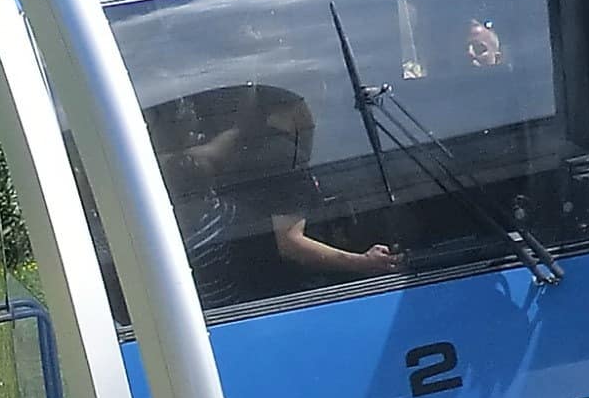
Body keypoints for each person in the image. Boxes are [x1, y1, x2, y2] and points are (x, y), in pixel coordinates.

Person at [150, 83, 401, 305]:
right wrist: (363, 262)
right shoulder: (285, 158)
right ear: (297, 106)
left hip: (248, 279)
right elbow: (290, 243)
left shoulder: (239, 142)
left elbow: (196, 156)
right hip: (288, 294)